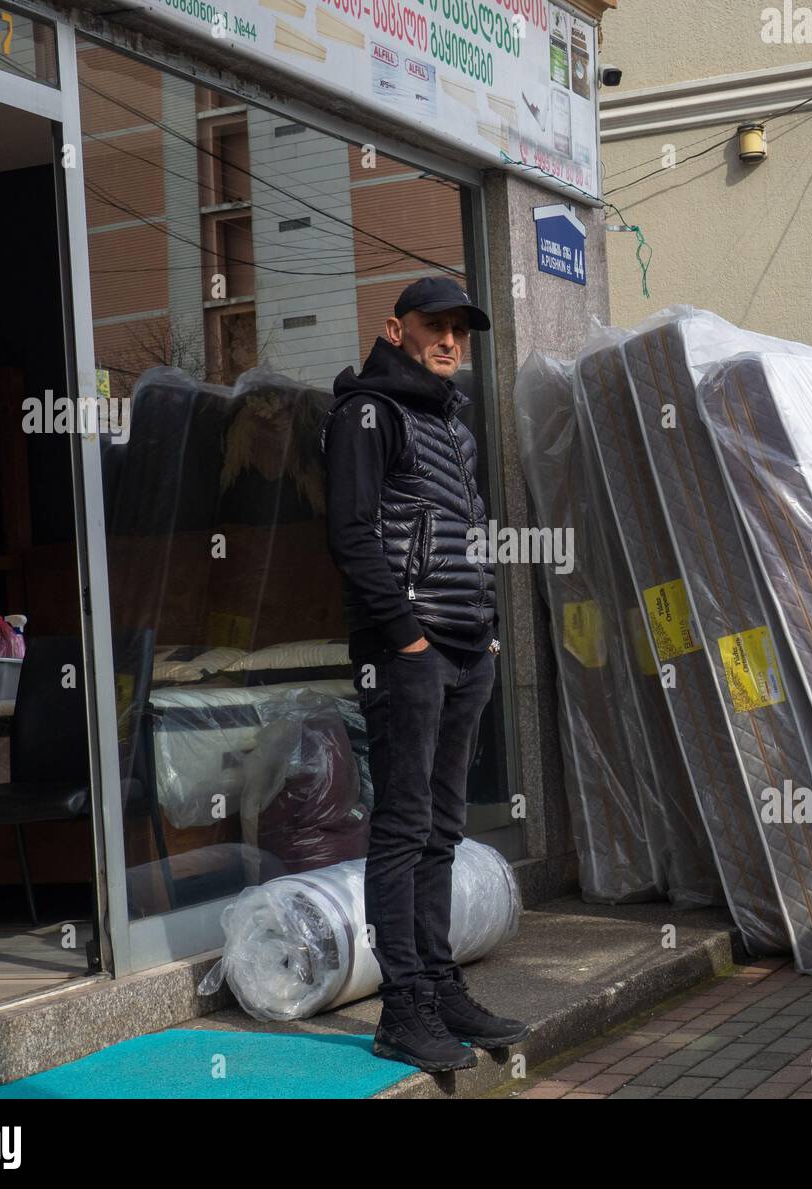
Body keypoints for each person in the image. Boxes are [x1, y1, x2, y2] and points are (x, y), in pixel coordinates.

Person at [322, 276, 530, 1072]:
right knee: (404, 827)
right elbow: (350, 533)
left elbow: (466, 533)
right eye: (433, 326)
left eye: (459, 331)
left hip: (466, 651)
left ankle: (440, 983)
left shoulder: (454, 427)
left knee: (444, 828)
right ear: (396, 328)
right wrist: (406, 636)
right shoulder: (366, 413)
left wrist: (489, 632)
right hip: (405, 654)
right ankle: (402, 1006)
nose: (449, 340)